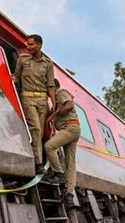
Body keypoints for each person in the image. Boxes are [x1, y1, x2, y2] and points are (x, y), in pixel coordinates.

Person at [13, 34, 56, 175]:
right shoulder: (22, 60)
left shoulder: (48, 64)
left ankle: (40, 161)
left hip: (43, 101)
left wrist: (54, 104)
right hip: (28, 99)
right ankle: (38, 163)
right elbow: (16, 77)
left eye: (31, 44)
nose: (28, 47)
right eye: (27, 44)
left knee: (41, 132)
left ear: (39, 45)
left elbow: (50, 85)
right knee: (36, 129)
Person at [44, 78, 81, 204]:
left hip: (70, 128)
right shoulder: (56, 101)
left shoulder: (61, 93)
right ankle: (69, 193)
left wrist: (56, 114)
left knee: (49, 146)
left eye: (48, 89)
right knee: (70, 163)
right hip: (73, 129)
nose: (48, 93)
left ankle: (58, 173)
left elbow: (69, 105)